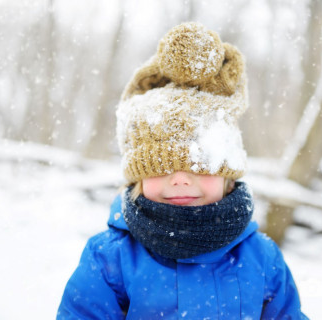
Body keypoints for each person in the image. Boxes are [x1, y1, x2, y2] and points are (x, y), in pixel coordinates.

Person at [57, 22, 308, 319]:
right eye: (160, 168)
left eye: (199, 166)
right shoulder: (110, 258)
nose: (178, 179)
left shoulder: (262, 258)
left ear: (227, 175)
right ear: (138, 177)